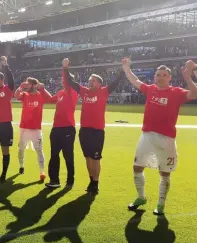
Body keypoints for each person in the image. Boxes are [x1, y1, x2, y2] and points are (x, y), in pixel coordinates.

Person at [124, 59, 197, 215]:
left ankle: (161, 204)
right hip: (147, 135)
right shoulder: (150, 89)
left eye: (164, 75)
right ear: (154, 77)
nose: (161, 77)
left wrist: (188, 77)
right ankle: (141, 197)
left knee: (164, 172)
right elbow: (135, 80)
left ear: (169, 78)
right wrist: (126, 67)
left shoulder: (177, 92)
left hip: (167, 139)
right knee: (137, 167)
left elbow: (195, 93)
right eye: (158, 75)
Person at [61, 58, 124, 195]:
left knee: (96, 158)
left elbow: (117, 81)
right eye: (89, 80)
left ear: (100, 83)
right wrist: (65, 68)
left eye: (93, 80)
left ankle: (96, 182)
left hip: (97, 131)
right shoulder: (84, 91)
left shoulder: (104, 91)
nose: (90, 82)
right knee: (88, 158)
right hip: (84, 131)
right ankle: (91, 180)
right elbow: (71, 83)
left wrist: (123, 68)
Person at [41, 68, 79, 189]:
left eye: (64, 80)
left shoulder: (72, 91)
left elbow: (67, 82)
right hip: (56, 128)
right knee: (54, 155)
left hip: (68, 128)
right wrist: (42, 89)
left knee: (68, 155)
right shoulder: (61, 93)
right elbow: (50, 99)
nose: (62, 82)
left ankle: (70, 180)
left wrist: (65, 68)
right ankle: (54, 180)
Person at [14, 77, 46, 182]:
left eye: (28, 84)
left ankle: (42, 172)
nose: (27, 85)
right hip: (24, 128)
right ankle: (21, 166)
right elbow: (16, 96)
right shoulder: (25, 95)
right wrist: (20, 87)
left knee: (39, 150)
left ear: (34, 85)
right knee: (21, 149)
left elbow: (50, 98)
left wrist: (43, 88)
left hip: (36, 129)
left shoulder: (40, 95)